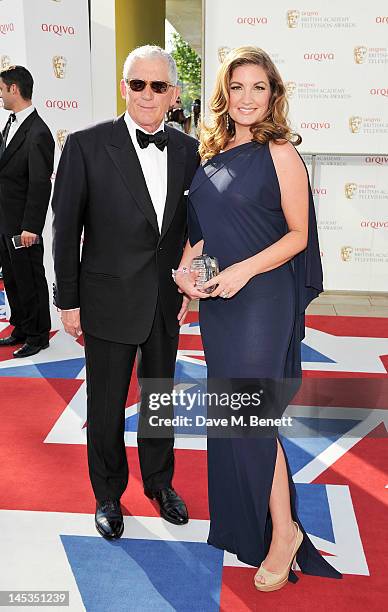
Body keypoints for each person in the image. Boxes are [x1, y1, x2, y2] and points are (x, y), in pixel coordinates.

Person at [174, 47, 342, 591]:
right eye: (238, 86)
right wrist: (188, 273)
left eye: (259, 88)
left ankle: (283, 532)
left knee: (248, 417)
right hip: (221, 301)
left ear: (273, 95)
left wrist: (243, 272)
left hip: (262, 297)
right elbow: (202, 235)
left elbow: (298, 235)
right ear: (225, 92)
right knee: (239, 417)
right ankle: (276, 525)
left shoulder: (280, 152)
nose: (248, 98)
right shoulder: (210, 152)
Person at [51, 46, 199, 539]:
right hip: (106, 299)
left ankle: (159, 483)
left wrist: (192, 282)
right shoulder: (87, 146)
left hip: (163, 300)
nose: (148, 95)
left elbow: (193, 231)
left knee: (160, 398)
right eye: (138, 84)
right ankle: (108, 494)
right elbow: (65, 229)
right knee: (107, 403)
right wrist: (67, 301)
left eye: (159, 86)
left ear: (174, 94)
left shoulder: (187, 151)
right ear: (124, 88)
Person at [0, 66, 54, 358]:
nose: (0, 95)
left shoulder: (38, 132)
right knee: (12, 277)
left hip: (24, 226)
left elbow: (39, 184)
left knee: (31, 278)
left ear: (14, 89)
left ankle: (37, 335)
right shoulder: (10, 124)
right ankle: (21, 326)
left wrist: (31, 226)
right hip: (5, 222)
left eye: (1, 89)